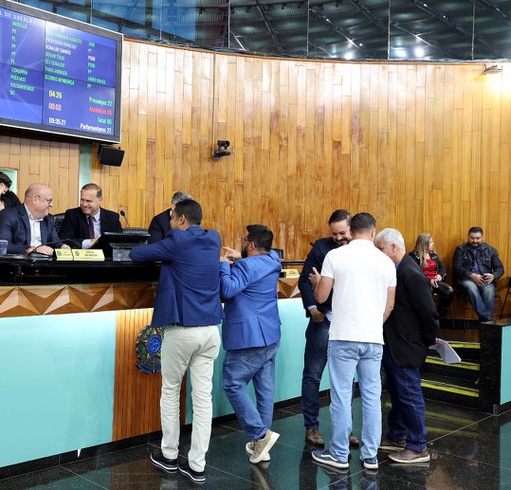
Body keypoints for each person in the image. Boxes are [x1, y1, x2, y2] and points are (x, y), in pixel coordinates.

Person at [130, 199, 222, 484]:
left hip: (182, 331)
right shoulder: (214, 238)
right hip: (210, 331)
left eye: (171, 217)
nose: (169, 222)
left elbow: (136, 253)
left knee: (170, 391)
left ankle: (169, 455)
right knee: (203, 398)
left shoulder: (177, 241)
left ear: (181, 219)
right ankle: (197, 465)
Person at [310, 212, 396, 472]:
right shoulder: (386, 262)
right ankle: (370, 456)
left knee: (341, 396)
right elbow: (389, 305)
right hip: (373, 338)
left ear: (350, 230)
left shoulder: (335, 256)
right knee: (371, 396)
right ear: (373, 231)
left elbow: (321, 296)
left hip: (343, 336)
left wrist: (317, 283)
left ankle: (339, 454)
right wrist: (372, 325)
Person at [375, 228, 440, 464]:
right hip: (396, 344)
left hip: (406, 346)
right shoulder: (398, 269)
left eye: (380, 249)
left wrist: (426, 341)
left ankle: (418, 446)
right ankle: (397, 436)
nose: (378, 253)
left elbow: (429, 313)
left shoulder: (410, 273)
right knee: (398, 393)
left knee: (409, 395)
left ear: (394, 247)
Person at [219, 224, 282, 464]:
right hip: (271, 335)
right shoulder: (273, 261)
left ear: (252, 245)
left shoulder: (244, 266)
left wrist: (224, 264)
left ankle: (260, 435)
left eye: (245, 240)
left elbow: (227, 290)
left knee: (232, 383)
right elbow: (265, 257)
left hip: (248, 338)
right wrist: (240, 255)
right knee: (265, 391)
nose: (243, 243)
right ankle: (261, 444)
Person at [297, 209, 359, 448]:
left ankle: (345, 430)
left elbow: (351, 289)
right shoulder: (321, 247)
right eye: (334, 233)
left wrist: (322, 285)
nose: (338, 238)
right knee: (312, 375)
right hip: (322, 320)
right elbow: (305, 279)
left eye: (342, 233)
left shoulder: (361, 251)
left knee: (345, 380)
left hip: (348, 323)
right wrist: (313, 308)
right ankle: (311, 427)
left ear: (352, 229)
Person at [0, 183, 69, 255]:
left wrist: (63, 247)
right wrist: (32, 250)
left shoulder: (48, 219)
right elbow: (2, 245)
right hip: (20, 262)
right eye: (49, 201)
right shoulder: (9, 215)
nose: (51, 205)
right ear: (35, 199)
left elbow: (55, 242)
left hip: (44, 262)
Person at [452, 227, 504, 323]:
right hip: (466, 279)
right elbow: (457, 267)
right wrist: (471, 275)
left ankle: (486, 320)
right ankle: (486, 318)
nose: (475, 240)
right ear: (468, 237)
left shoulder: (491, 250)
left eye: (478, 238)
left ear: (482, 237)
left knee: (489, 290)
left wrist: (493, 276)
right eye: (472, 238)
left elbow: (500, 268)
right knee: (471, 286)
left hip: (484, 279)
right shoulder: (461, 249)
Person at [58, 183, 123, 248]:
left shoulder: (112, 217)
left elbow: (119, 242)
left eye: (88, 201)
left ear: (100, 200)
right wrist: (89, 242)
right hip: (81, 254)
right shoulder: (72, 215)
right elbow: (64, 239)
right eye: (82, 200)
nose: (84, 204)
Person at [409, 233, 454, 318]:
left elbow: (442, 267)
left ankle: (438, 316)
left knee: (449, 291)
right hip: (422, 282)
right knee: (428, 292)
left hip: (435, 281)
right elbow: (415, 273)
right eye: (431, 242)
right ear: (425, 244)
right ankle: (426, 317)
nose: (433, 244)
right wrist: (429, 281)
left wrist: (440, 275)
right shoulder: (413, 256)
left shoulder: (433, 254)